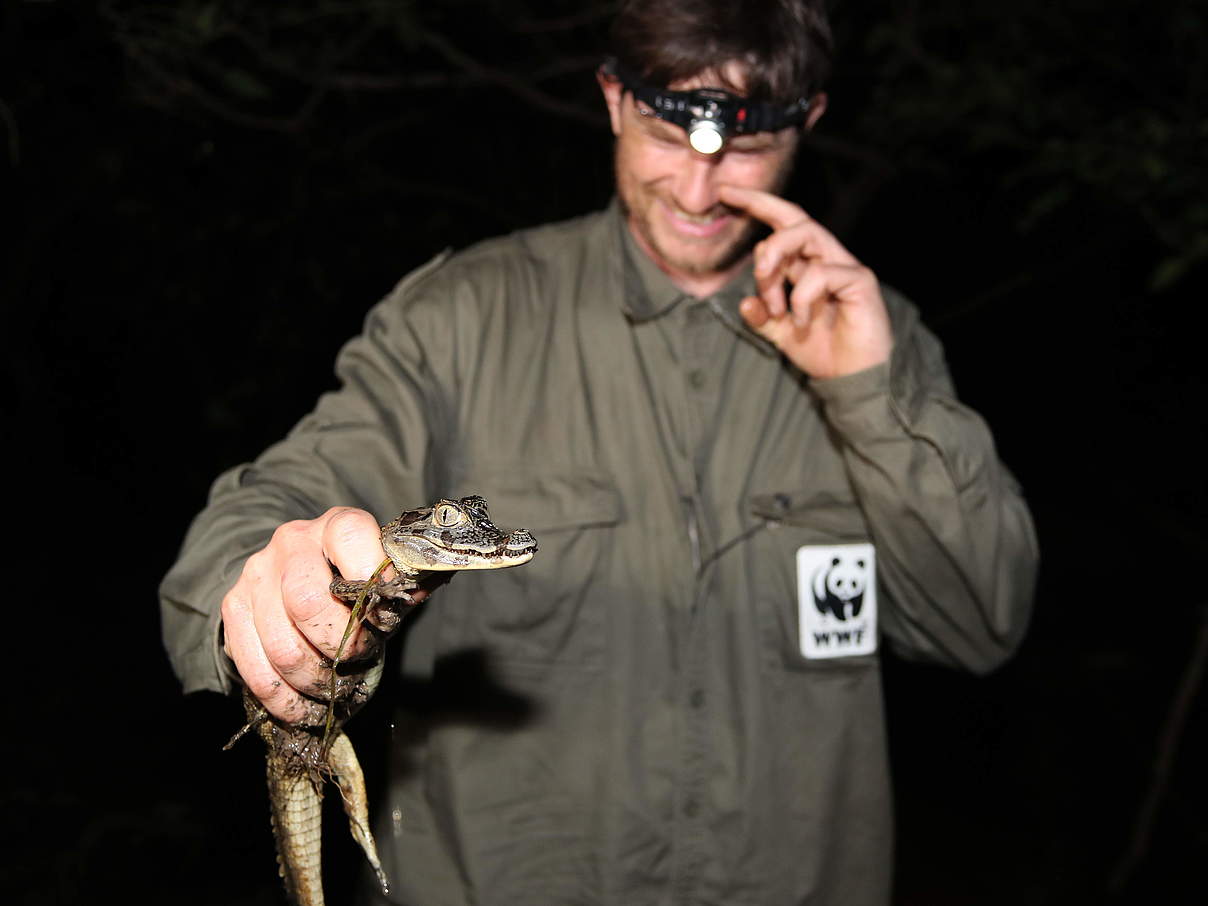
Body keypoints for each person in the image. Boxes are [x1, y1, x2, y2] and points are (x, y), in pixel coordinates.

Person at [161, 1, 1038, 903]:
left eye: (746, 145)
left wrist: (869, 394)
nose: (700, 193)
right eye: (668, 130)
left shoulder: (876, 338)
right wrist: (266, 582)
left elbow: (982, 622)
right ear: (615, 100)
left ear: (809, 118)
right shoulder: (463, 316)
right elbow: (288, 493)